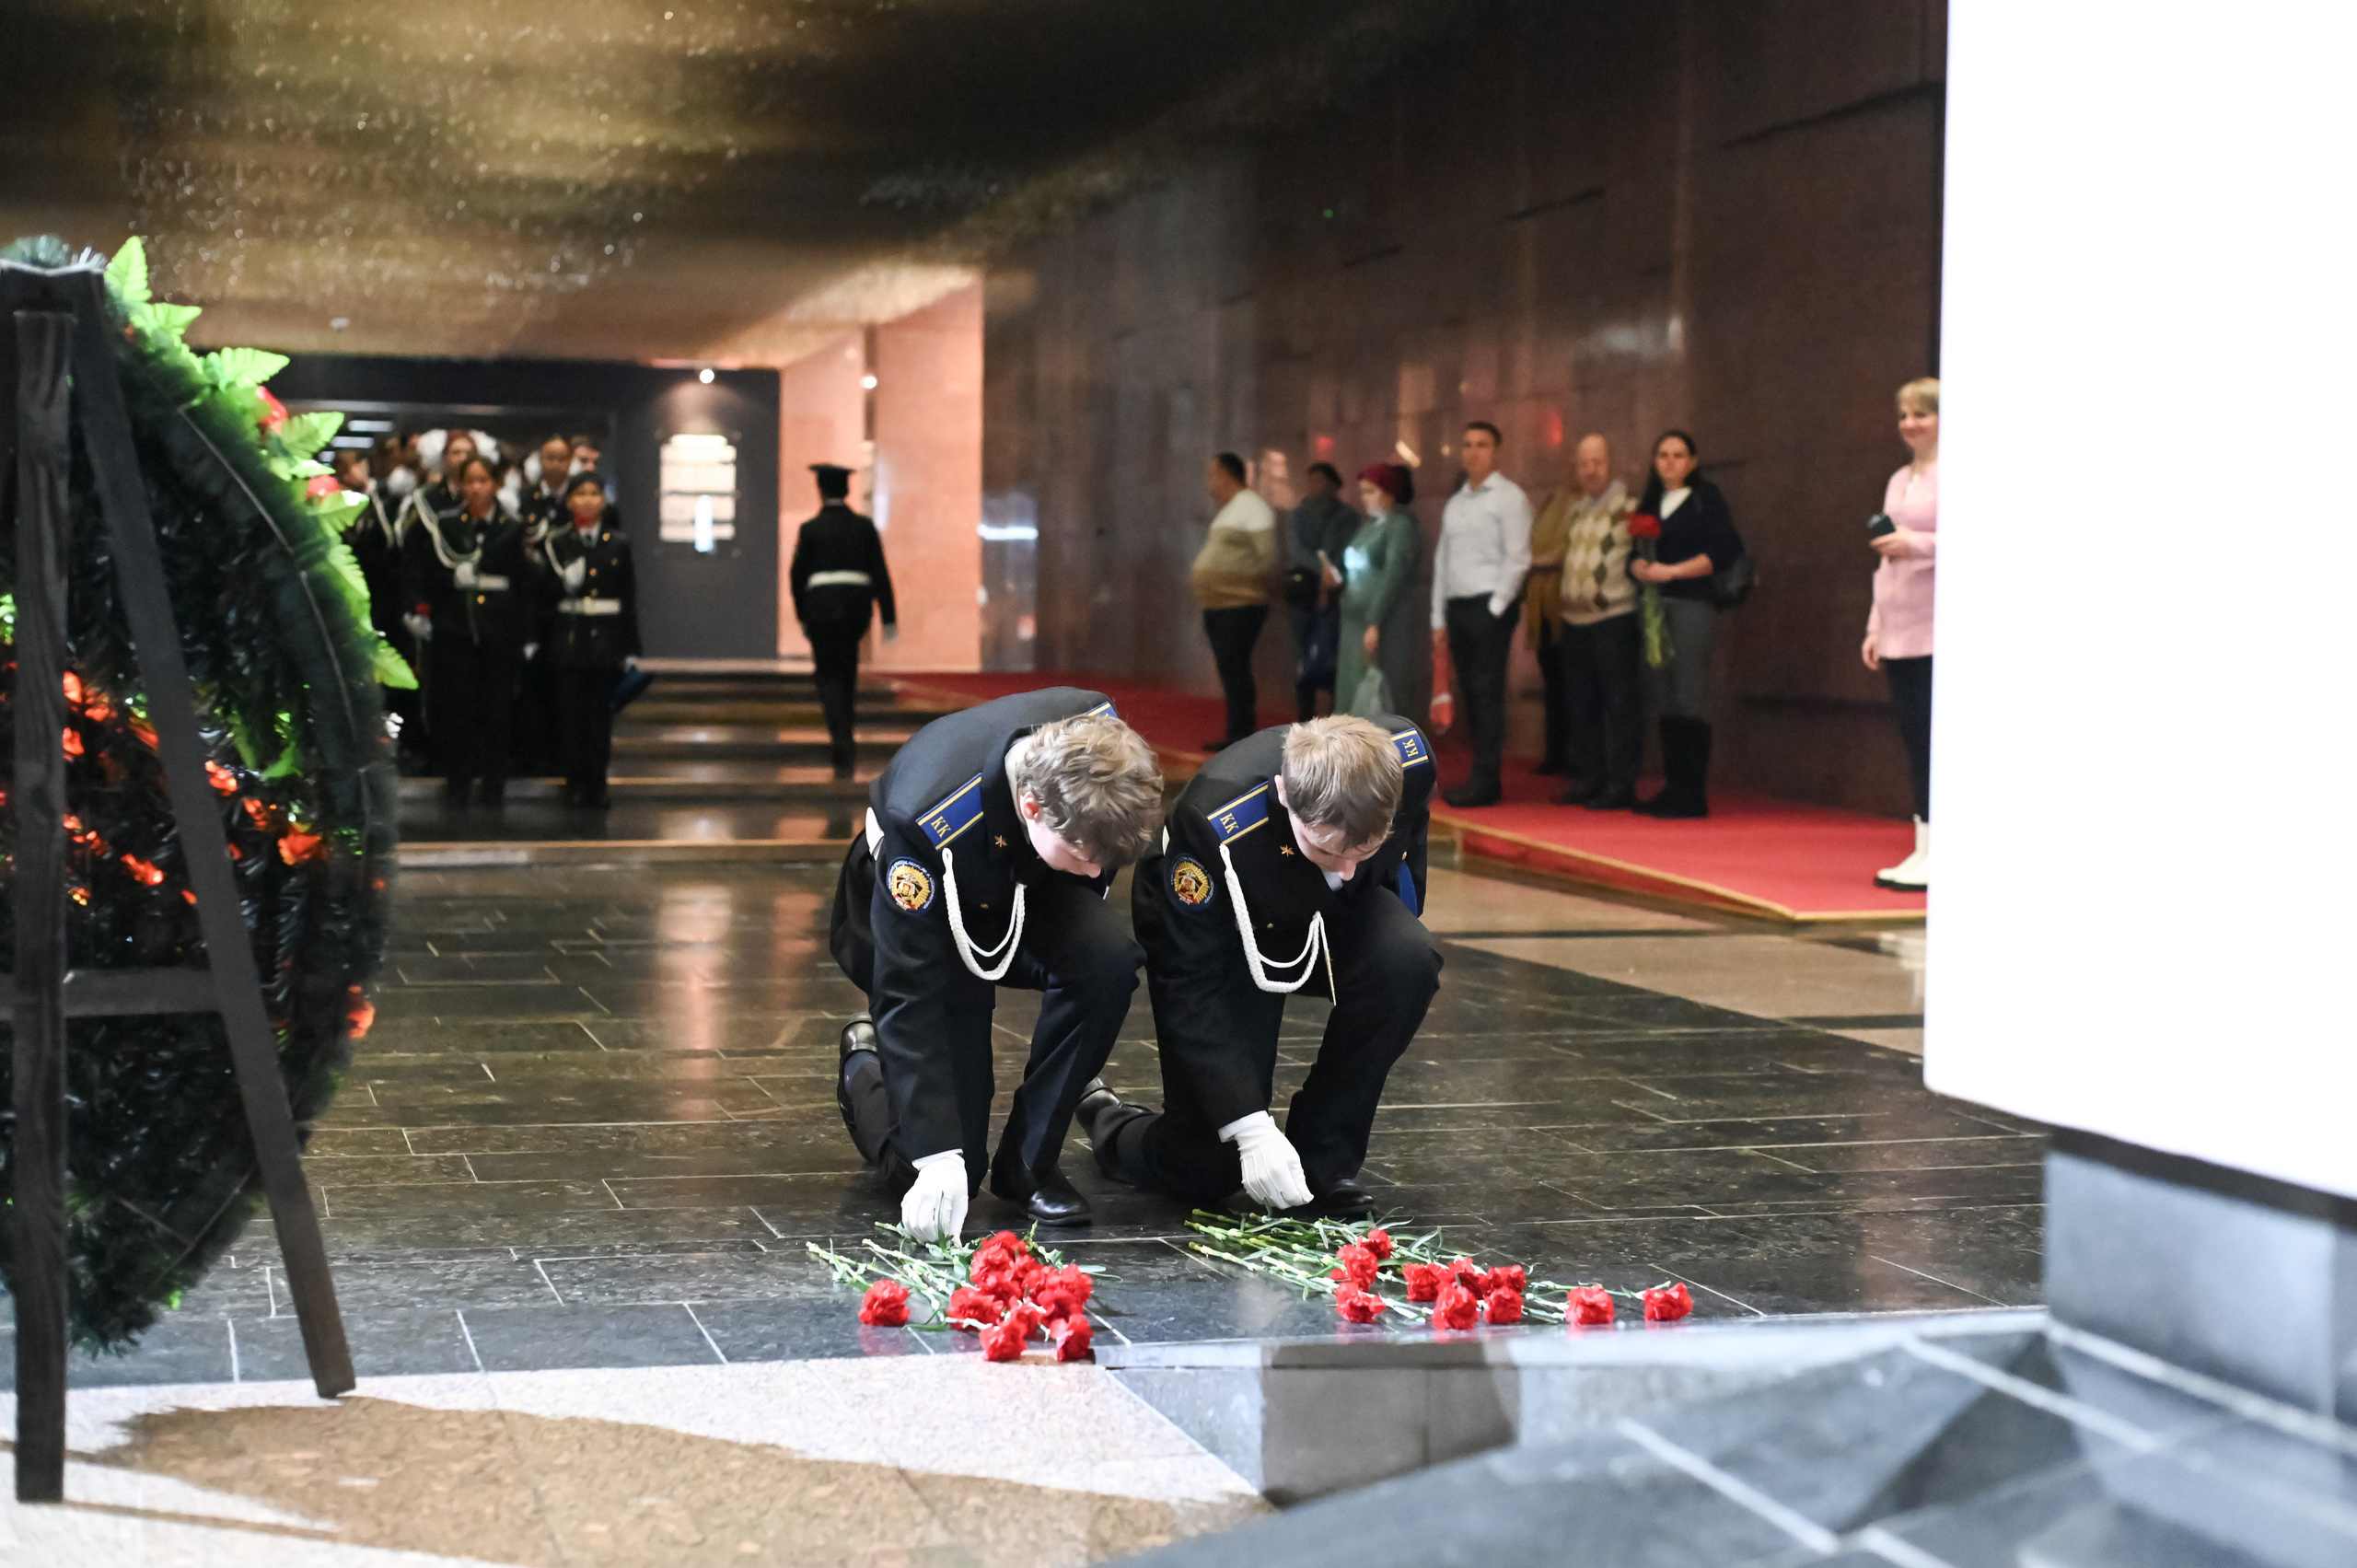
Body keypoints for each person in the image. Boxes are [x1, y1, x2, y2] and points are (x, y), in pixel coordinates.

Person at [830, 692, 1165, 1237]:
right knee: (946, 1171)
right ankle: (862, 1071)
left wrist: (1079, 855)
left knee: (1108, 961)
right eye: (1087, 856)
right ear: (1031, 806)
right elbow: (908, 996)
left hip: (1036, 872)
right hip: (933, 902)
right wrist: (937, 1157)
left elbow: (1088, 857)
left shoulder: (1104, 751)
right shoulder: (924, 820)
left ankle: (1030, 1163)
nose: (1097, 872)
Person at [1081, 714, 1440, 1220]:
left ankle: (1321, 1163)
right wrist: (1249, 1127)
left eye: (1363, 850)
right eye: (1327, 848)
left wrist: (1356, 878)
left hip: (1338, 908)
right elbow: (1193, 987)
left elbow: (1404, 853)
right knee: (1207, 1167)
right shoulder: (1212, 821)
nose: (1346, 869)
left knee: (1406, 959)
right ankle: (1110, 1121)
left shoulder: (1411, 760)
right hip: (1227, 919)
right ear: (1285, 795)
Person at [401, 455, 534, 806]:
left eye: (483, 480)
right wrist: (448, 583)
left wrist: (526, 634)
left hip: (498, 630)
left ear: (496, 484)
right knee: (457, 709)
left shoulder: (511, 526)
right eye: (470, 481)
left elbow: (522, 585)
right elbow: (427, 573)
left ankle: (493, 785)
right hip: (456, 628)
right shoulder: (446, 525)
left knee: (497, 709)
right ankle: (457, 782)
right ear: (460, 485)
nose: (476, 488)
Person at [1628, 430, 1743, 819]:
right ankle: (1673, 786)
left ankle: (1692, 792)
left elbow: (1724, 550)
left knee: (1688, 693)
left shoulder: (1704, 498)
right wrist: (1637, 566)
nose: (1670, 462)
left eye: (1678, 455)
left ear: (1692, 462)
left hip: (1692, 602)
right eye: (1663, 455)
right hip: (1654, 607)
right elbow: (1633, 552)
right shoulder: (1650, 501)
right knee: (1665, 694)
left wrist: (1673, 571)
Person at [1429, 421, 1532, 807]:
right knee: (1471, 693)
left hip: (1490, 605)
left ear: (1496, 451)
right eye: (1468, 444)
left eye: (1482, 445)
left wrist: (1495, 608)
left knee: (1487, 693)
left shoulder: (1509, 497)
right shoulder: (1456, 503)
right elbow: (1442, 562)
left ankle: (1487, 781)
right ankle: (1479, 775)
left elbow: (1518, 558)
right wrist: (1438, 617)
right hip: (1458, 606)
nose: (1473, 452)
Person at [1863, 377, 1939, 890]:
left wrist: (1919, 544)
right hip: (1899, 623)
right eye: (1904, 415)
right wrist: (1876, 624)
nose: (1910, 424)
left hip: (1936, 624)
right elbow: (1886, 556)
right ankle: (1924, 846)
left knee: (1935, 739)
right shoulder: (1897, 478)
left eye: (1922, 414)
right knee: (1914, 736)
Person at [790, 463, 898, 780]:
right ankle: (845, 736)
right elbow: (880, 573)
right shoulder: (864, 527)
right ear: (847, 491)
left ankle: (840, 739)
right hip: (855, 610)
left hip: (821, 611)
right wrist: (888, 618)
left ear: (820, 491)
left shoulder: (810, 529)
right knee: (847, 672)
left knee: (827, 675)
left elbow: (797, 577)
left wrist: (803, 614)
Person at [1550, 436, 1642, 810]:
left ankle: (1621, 783)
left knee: (1619, 704)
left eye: (1598, 463)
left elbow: (1643, 555)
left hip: (1613, 619)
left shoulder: (1631, 509)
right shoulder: (1575, 511)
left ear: (1611, 464)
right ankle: (1590, 777)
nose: (1591, 471)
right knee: (1581, 704)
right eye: (1584, 464)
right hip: (1575, 620)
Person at [540, 471, 641, 808]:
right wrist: (561, 584)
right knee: (570, 719)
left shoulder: (618, 543)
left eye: (594, 494)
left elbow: (628, 598)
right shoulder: (557, 542)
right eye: (580, 494)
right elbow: (542, 594)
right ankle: (573, 784)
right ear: (570, 501)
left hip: (605, 642)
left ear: (603, 501)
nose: (587, 500)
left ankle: (596, 785)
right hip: (570, 639)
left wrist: (630, 647)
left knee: (599, 719)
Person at [336, 447, 424, 764]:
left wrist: (370, 494)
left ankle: (407, 741)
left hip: (389, 604)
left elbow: (392, 543)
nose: (349, 475)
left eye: (353, 466)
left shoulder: (385, 501)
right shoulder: (344, 505)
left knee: (398, 677)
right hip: (360, 606)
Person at [1191, 452, 1280, 749]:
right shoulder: (1230, 510)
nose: (1208, 482)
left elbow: (1267, 557)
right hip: (1220, 605)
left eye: (1212, 474)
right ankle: (1235, 731)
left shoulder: (1252, 507)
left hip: (1241, 604)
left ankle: (1241, 733)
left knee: (1236, 668)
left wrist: (1243, 585)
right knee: (1229, 669)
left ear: (1226, 474)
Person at [1335, 463, 1421, 721]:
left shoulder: (1399, 526)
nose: (1365, 498)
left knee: (1381, 689)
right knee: (1352, 685)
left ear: (1388, 492)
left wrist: (1375, 620)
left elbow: (1393, 575)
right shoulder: (1369, 526)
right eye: (1362, 492)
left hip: (1382, 619)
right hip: (1353, 619)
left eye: (1371, 491)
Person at [1284, 461, 1358, 721]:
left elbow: (1347, 547)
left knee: (1332, 653)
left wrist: (1331, 574)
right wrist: (1320, 568)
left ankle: (1334, 714)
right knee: (1305, 652)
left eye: (1319, 480)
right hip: (1304, 589)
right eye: (1310, 481)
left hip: (1337, 590)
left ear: (1333, 484)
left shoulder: (1346, 515)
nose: (1313, 486)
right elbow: (1296, 548)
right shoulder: (1300, 513)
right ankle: (1305, 716)